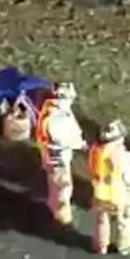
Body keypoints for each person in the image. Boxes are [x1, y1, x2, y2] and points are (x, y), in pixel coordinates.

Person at [88, 120, 130, 255]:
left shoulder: (96, 150)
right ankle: (124, 246)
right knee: (125, 220)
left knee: (101, 220)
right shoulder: (120, 155)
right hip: (118, 195)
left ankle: (101, 246)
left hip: (99, 192)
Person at [34, 82, 87, 226]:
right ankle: (63, 219)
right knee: (64, 187)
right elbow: (64, 139)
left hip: (51, 156)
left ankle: (54, 208)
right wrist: (79, 144)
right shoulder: (58, 118)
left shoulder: (51, 110)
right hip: (58, 158)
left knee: (54, 184)